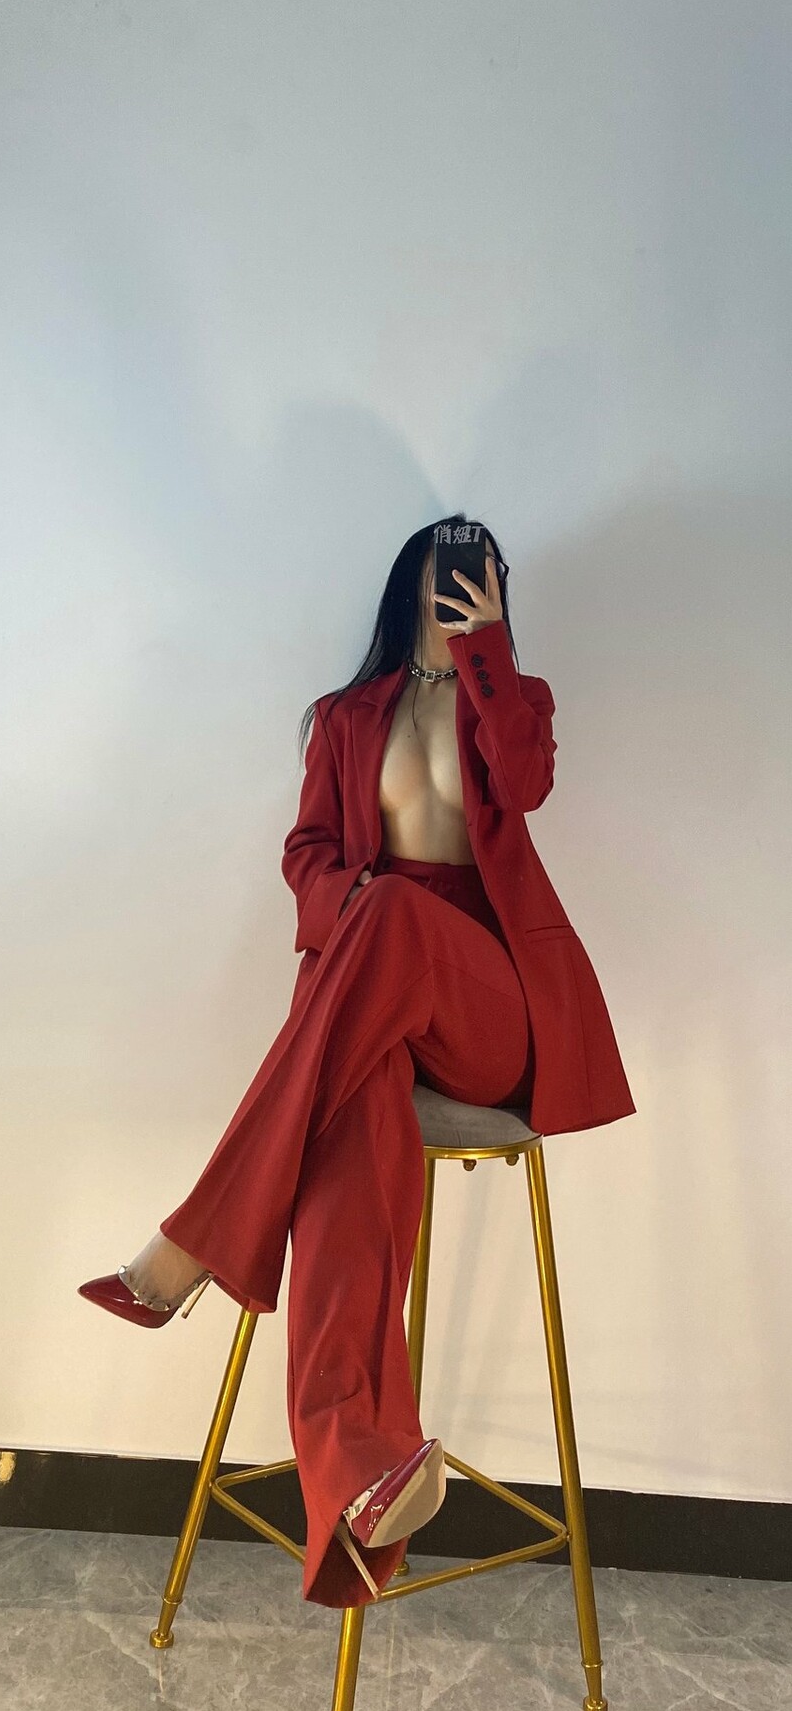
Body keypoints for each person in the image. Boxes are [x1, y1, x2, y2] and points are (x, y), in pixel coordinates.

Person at [79, 513, 635, 1607]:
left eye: (480, 580)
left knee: (388, 919)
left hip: (487, 1016)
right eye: (444, 576)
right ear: (407, 584)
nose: (459, 592)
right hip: (372, 1003)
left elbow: (525, 787)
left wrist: (487, 656)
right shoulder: (343, 719)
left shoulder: (512, 700)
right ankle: (366, 1477)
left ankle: (200, 1238)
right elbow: (307, 857)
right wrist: (357, 897)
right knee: (338, 1152)